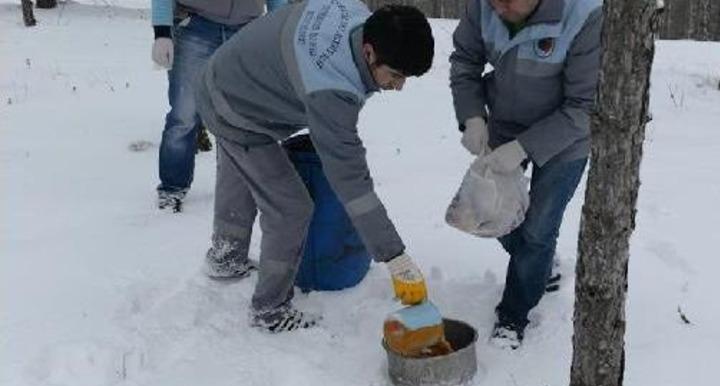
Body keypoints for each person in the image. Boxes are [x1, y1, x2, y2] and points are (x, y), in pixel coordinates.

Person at [194, 1, 435, 332]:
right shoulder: (332, 88)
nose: (398, 86)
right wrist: (394, 256)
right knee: (290, 208)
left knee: (240, 172)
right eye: (395, 75)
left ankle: (226, 256)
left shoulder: (356, 13)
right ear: (368, 52)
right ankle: (270, 310)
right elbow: (351, 181)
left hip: (225, 77)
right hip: (237, 110)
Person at [449, 0, 603, 348]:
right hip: (503, 123)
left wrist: (524, 148)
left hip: (565, 139)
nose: (498, 7)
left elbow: (584, 107)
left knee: (537, 231)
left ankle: (513, 316)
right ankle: (540, 264)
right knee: (489, 215)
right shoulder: (484, 7)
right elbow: (465, 62)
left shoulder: (584, 15)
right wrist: (472, 115)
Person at [150, 0, 284, 212]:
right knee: (184, 116)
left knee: (243, 118)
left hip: (247, 31)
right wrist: (162, 32)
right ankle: (172, 189)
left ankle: (239, 188)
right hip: (195, 27)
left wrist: (280, 29)